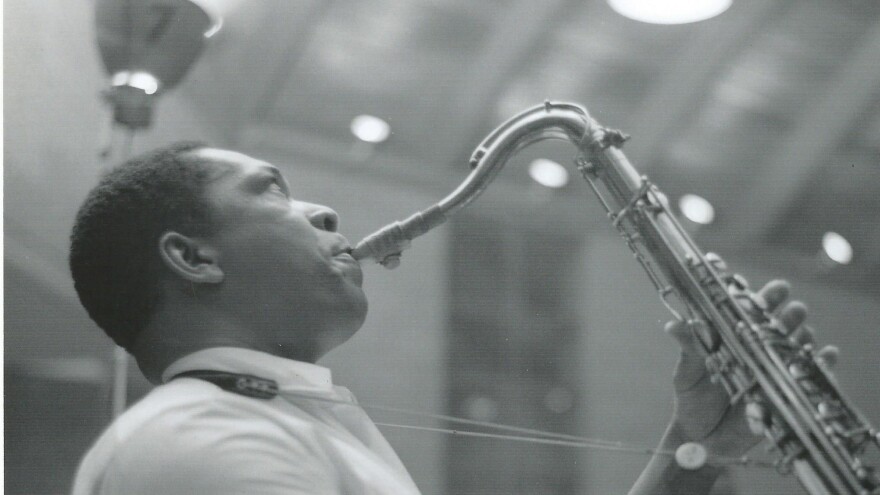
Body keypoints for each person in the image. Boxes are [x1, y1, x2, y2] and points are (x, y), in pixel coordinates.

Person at [69, 142, 812, 494]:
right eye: (271, 191)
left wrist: (698, 448)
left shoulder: (273, 424)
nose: (323, 211)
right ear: (194, 259)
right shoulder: (202, 434)